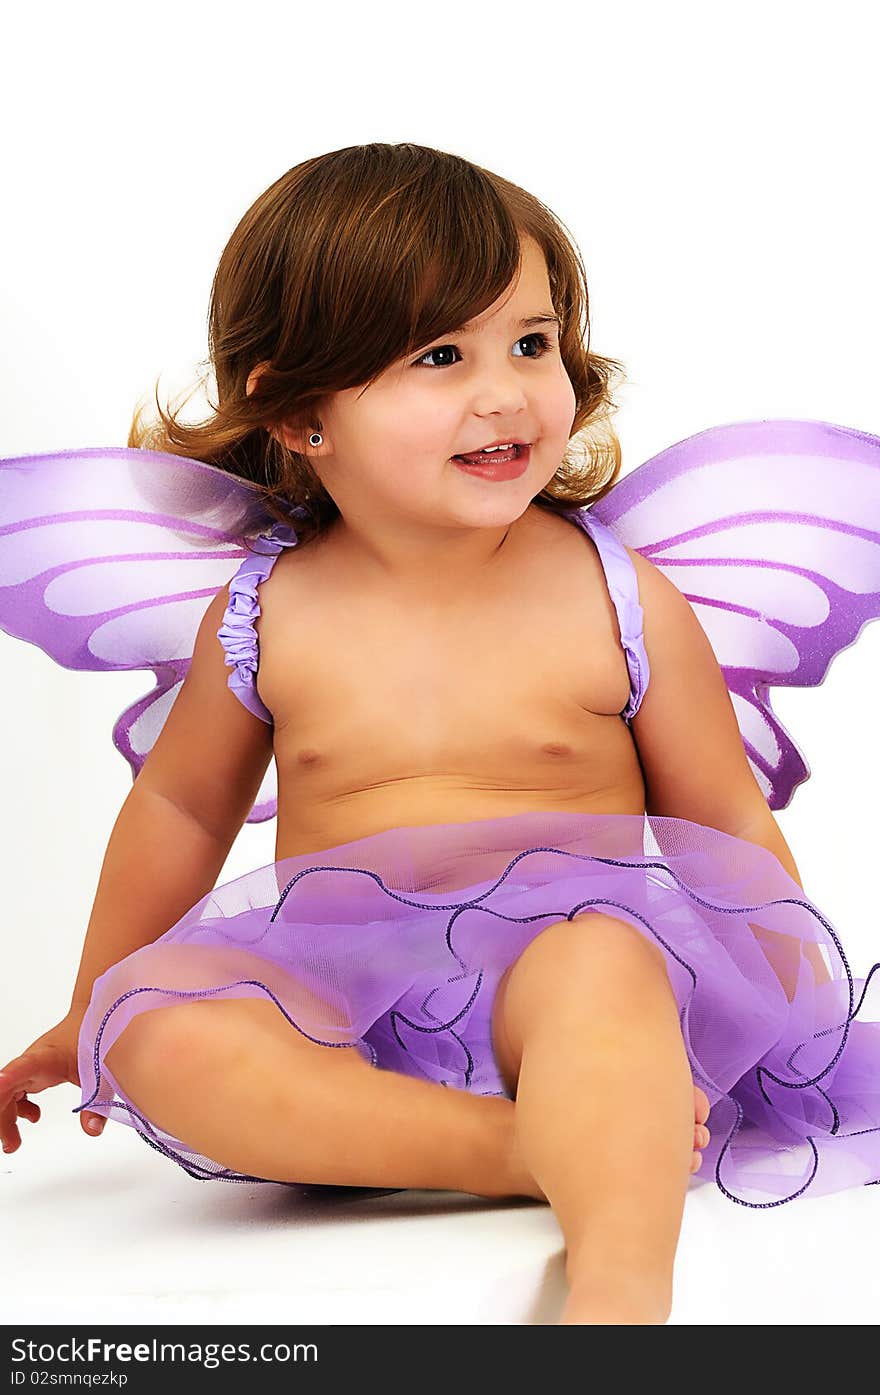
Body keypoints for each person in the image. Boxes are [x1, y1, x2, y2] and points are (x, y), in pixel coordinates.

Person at [1, 142, 878, 1327]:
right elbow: (182, 804)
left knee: (597, 966)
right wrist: (98, 999)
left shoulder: (613, 592)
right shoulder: (268, 609)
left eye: (531, 342)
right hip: (334, 995)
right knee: (164, 1041)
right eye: (439, 357)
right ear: (303, 410)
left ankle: (617, 1292)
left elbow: (720, 809)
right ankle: (522, 1149)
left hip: (566, 974)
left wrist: (786, 1014)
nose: (508, 392)